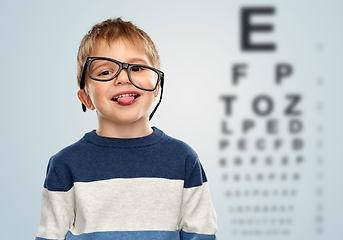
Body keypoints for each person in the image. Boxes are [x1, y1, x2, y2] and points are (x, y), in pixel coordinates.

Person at [35, 17, 217, 240]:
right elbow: (50, 235)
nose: (122, 78)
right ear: (86, 98)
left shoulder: (183, 159)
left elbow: (201, 233)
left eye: (137, 67)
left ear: (157, 86)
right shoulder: (65, 164)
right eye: (104, 72)